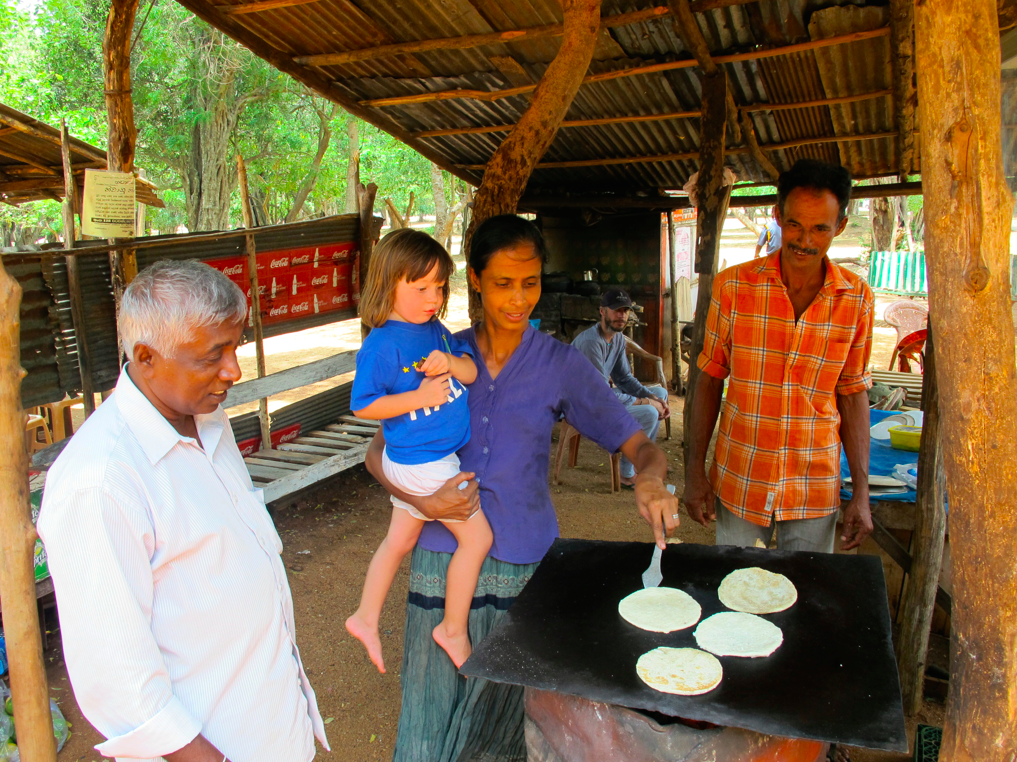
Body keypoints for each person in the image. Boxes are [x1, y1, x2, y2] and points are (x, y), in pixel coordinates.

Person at [364, 215, 680, 762]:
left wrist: (650, 481)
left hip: (525, 572)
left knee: (510, 733)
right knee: (429, 726)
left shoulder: (560, 365)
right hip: (439, 567)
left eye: (530, 283)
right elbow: (378, 450)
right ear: (478, 282)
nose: (518, 298)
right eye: (503, 283)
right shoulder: (436, 352)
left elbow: (640, 447)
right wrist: (421, 501)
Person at [38, 260, 329, 762]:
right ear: (147, 357)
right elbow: (118, 679)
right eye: (213, 354)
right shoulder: (101, 481)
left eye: (235, 346)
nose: (234, 370)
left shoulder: (208, 423)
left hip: (270, 730)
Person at [683, 159, 874, 554]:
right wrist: (694, 472)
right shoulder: (734, 286)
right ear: (776, 216)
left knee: (804, 601)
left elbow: (853, 393)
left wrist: (861, 492)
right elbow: (709, 378)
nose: (805, 240)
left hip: (814, 486)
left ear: (839, 226)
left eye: (820, 228)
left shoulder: (855, 298)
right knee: (735, 596)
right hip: (741, 477)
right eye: (795, 225)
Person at [345, 228, 491, 673]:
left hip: (423, 458)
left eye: (440, 286)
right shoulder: (383, 343)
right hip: (423, 462)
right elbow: (363, 405)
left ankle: (366, 617)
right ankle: (452, 628)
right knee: (479, 538)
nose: (434, 297)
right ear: (389, 283)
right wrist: (420, 398)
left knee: (399, 541)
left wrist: (452, 363)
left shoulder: (435, 329)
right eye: (421, 286)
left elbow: (470, 371)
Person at [571, 288, 671, 487]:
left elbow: (624, 378)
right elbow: (601, 396)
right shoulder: (591, 342)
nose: (622, 315)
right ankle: (627, 473)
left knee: (660, 393)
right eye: (616, 310)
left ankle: (640, 462)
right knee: (649, 412)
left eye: (625, 310)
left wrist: (652, 396)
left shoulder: (616, 338)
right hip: (580, 405)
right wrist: (647, 402)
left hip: (598, 398)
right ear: (602, 311)